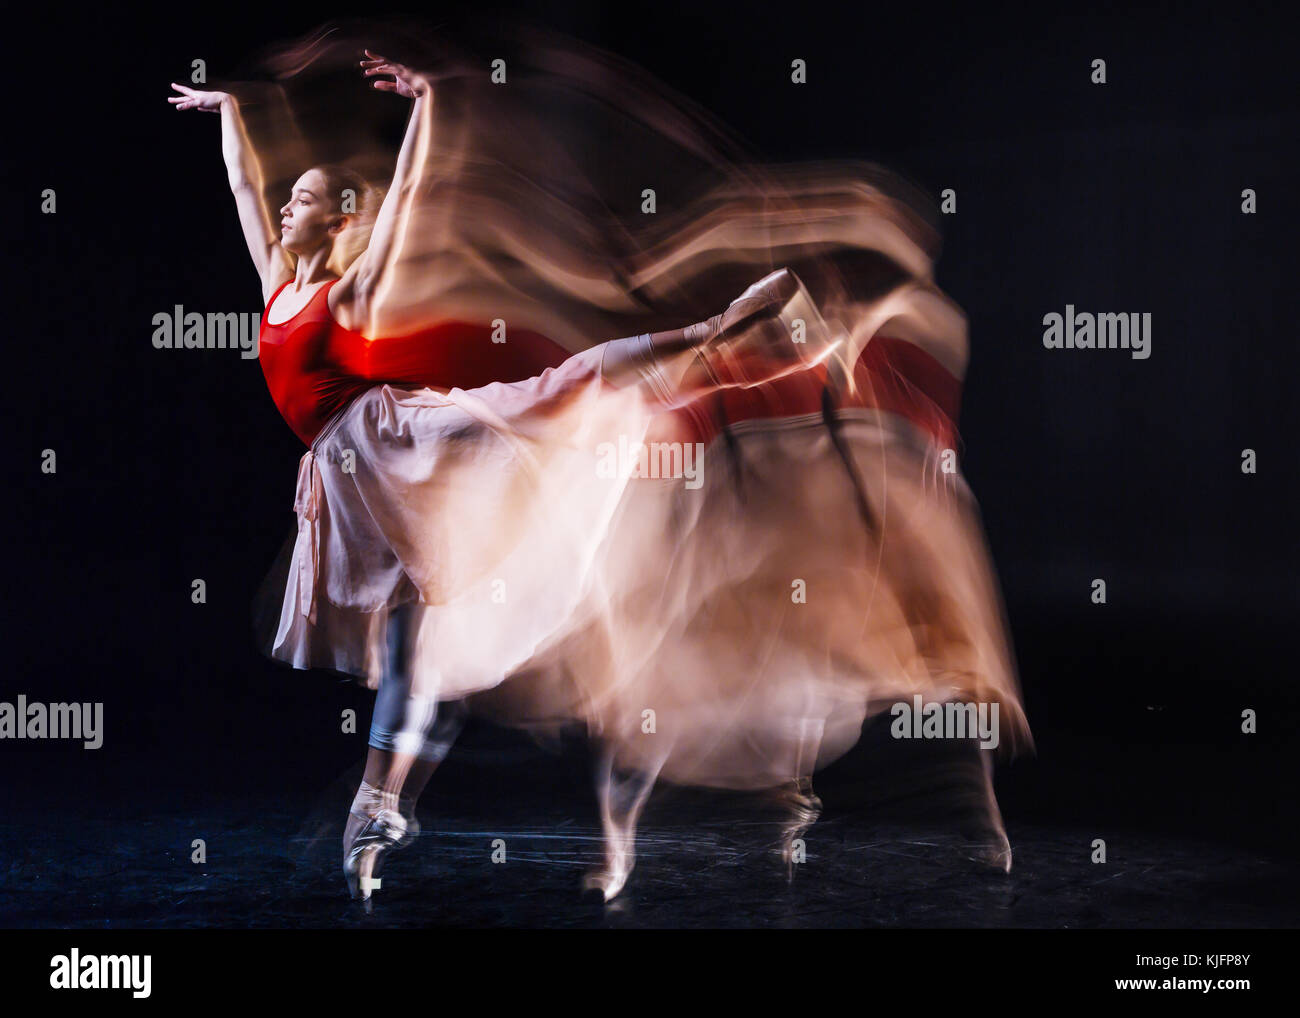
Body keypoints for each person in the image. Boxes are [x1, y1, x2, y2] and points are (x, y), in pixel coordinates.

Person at [170, 48, 1031, 904]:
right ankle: (382, 805)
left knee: (569, 391)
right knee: (414, 642)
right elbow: (247, 190)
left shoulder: (350, 289)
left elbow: (408, 202)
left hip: (402, 442)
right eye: (292, 197)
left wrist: (432, 103)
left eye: (307, 198)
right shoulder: (276, 282)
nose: (287, 204)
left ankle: (728, 324)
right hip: (345, 474)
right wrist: (233, 116)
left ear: (335, 221)